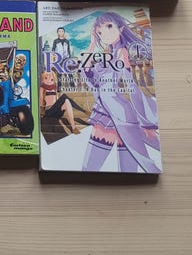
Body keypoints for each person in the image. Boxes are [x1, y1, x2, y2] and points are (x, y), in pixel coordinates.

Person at [82, 11, 161, 173]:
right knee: (131, 168)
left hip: (119, 116)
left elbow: (133, 89)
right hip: (110, 113)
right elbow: (86, 71)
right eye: (100, 32)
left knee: (92, 168)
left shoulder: (123, 53)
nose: (105, 34)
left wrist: (146, 122)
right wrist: (92, 44)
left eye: (109, 26)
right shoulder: (110, 55)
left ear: (121, 28)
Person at [39, 71, 88, 135]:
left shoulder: (54, 88)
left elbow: (56, 100)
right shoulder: (42, 87)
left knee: (67, 101)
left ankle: (74, 127)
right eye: (46, 78)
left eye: (51, 79)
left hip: (56, 112)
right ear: (42, 79)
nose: (49, 81)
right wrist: (42, 111)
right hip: (48, 112)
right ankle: (83, 111)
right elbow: (41, 101)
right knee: (64, 97)